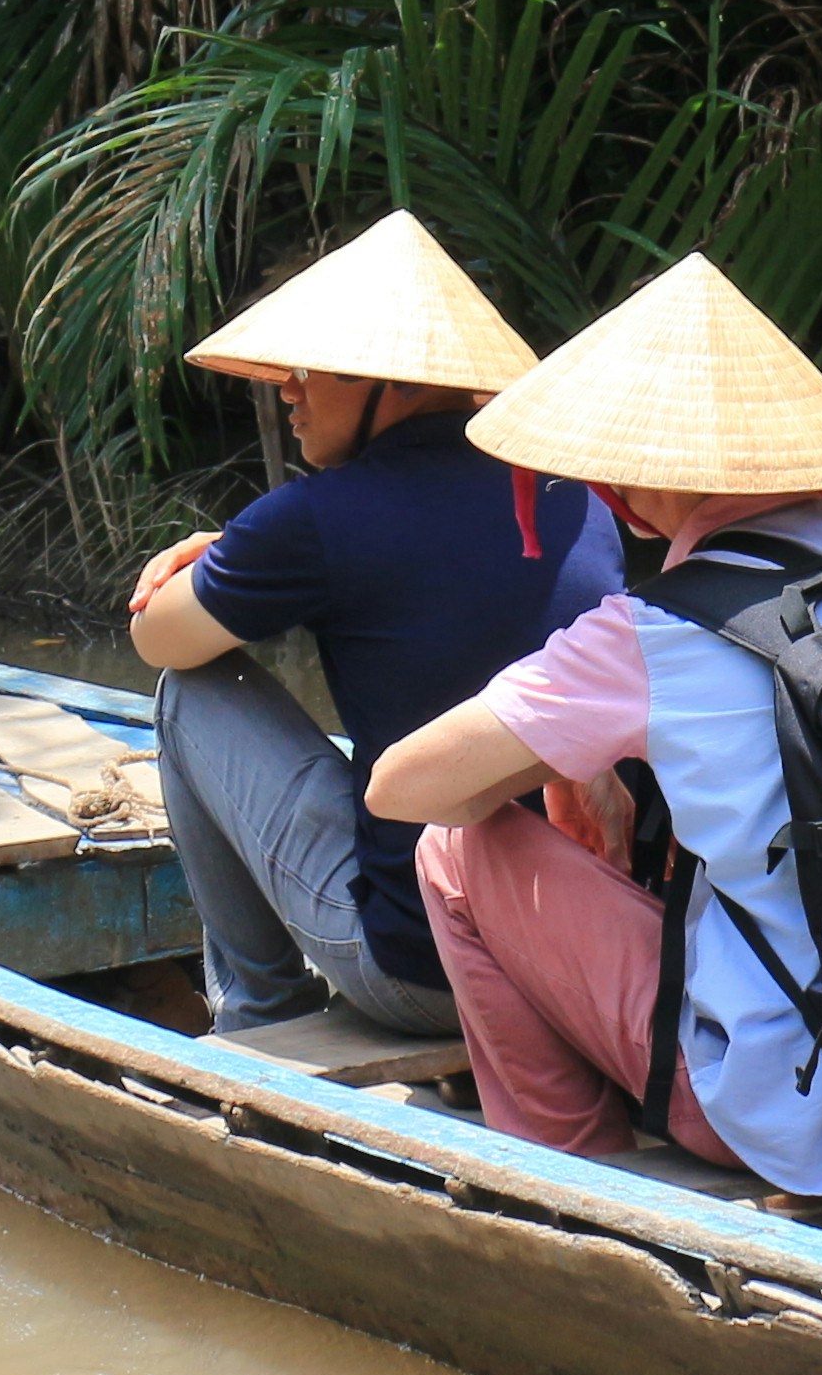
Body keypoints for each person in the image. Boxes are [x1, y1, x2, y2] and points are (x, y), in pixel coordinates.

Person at [363, 254, 822, 1193]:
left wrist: (559, 756)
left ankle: (569, 1178)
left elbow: (399, 788)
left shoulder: (655, 634)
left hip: (796, 1118)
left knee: (452, 852)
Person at [124, 213, 621, 1039]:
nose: (286, 390)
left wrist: (213, 557)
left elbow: (158, 640)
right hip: (584, 967)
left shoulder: (319, 518)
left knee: (188, 695)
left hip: (423, 975)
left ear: (394, 384)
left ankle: (261, 1012)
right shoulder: (577, 499)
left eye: (307, 371)